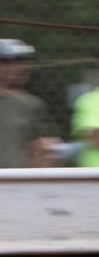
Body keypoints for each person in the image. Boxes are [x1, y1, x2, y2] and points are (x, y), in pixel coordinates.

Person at [0, 38, 60, 167]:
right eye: (13, 62)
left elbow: (47, 148)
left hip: (18, 182)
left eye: (23, 61)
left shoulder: (31, 105)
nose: (23, 68)